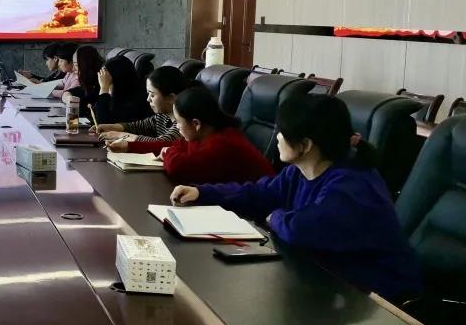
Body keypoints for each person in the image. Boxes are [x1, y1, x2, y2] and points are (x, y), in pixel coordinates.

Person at [170, 95, 422, 301]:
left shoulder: (352, 184)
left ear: (306, 145)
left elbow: (302, 228)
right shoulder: (299, 171)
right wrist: (203, 192)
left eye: (282, 132)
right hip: (328, 280)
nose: (277, 137)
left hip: (378, 299)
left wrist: (275, 217)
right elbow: (259, 193)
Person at [128, 86, 274, 185]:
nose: (177, 127)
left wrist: (168, 153)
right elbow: (175, 145)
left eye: (178, 122)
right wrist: (129, 146)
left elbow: (178, 168)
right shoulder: (206, 133)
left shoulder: (222, 143)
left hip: (257, 212)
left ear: (195, 124)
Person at [94, 66, 190, 150]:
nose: (148, 99)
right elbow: (140, 126)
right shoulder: (163, 116)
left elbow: (159, 143)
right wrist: (111, 127)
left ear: (171, 98)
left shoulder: (183, 124)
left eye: (152, 95)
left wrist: (121, 135)